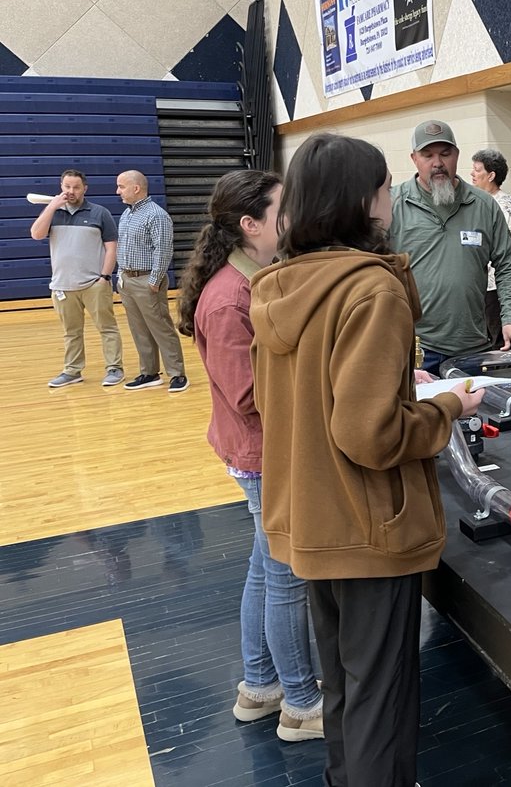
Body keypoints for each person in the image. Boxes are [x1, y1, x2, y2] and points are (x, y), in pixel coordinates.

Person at [250, 132, 484, 786]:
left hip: (308, 520)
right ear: (364, 200)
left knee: (346, 694)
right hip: (367, 526)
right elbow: (368, 433)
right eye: (385, 185)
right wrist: (448, 410)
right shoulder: (371, 292)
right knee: (382, 700)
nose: (392, 197)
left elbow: (289, 406)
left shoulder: (277, 288)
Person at [175, 170, 324, 741]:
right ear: (249, 224)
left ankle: (260, 688)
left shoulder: (252, 280)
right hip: (264, 456)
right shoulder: (228, 298)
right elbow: (248, 394)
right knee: (286, 580)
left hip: (260, 451)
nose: (291, 222)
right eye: (281, 213)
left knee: (265, 572)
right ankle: (301, 706)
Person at [389, 120, 511, 372]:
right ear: (413, 159)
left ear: (456, 155)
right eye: (427, 155)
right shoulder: (393, 204)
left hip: (471, 346)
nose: (437, 163)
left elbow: (508, 265)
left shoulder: (483, 205)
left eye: (445, 154)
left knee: (475, 412)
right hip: (414, 347)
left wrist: (510, 317)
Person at [30, 169, 124, 388]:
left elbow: (112, 247)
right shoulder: (53, 212)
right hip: (63, 286)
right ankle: (72, 371)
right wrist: (52, 206)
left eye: (76, 187)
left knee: (107, 328)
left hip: (94, 284)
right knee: (71, 332)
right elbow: (36, 234)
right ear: (61, 187)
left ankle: (114, 369)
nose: (71, 191)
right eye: (67, 187)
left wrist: (104, 276)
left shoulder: (100, 213)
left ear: (85, 188)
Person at [115, 169, 189, 392]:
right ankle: (149, 372)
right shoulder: (127, 214)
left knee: (160, 327)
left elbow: (163, 250)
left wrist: (155, 280)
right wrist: (120, 276)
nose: (117, 191)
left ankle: (177, 374)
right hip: (127, 280)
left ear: (136, 188)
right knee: (139, 329)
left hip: (147, 279)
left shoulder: (156, 215)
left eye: (121, 186)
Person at [470, 148, 511, 348]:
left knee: (498, 340)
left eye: (477, 170)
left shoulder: (504, 204)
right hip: (482, 286)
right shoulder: (479, 202)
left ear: (491, 175)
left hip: (497, 288)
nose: (472, 174)